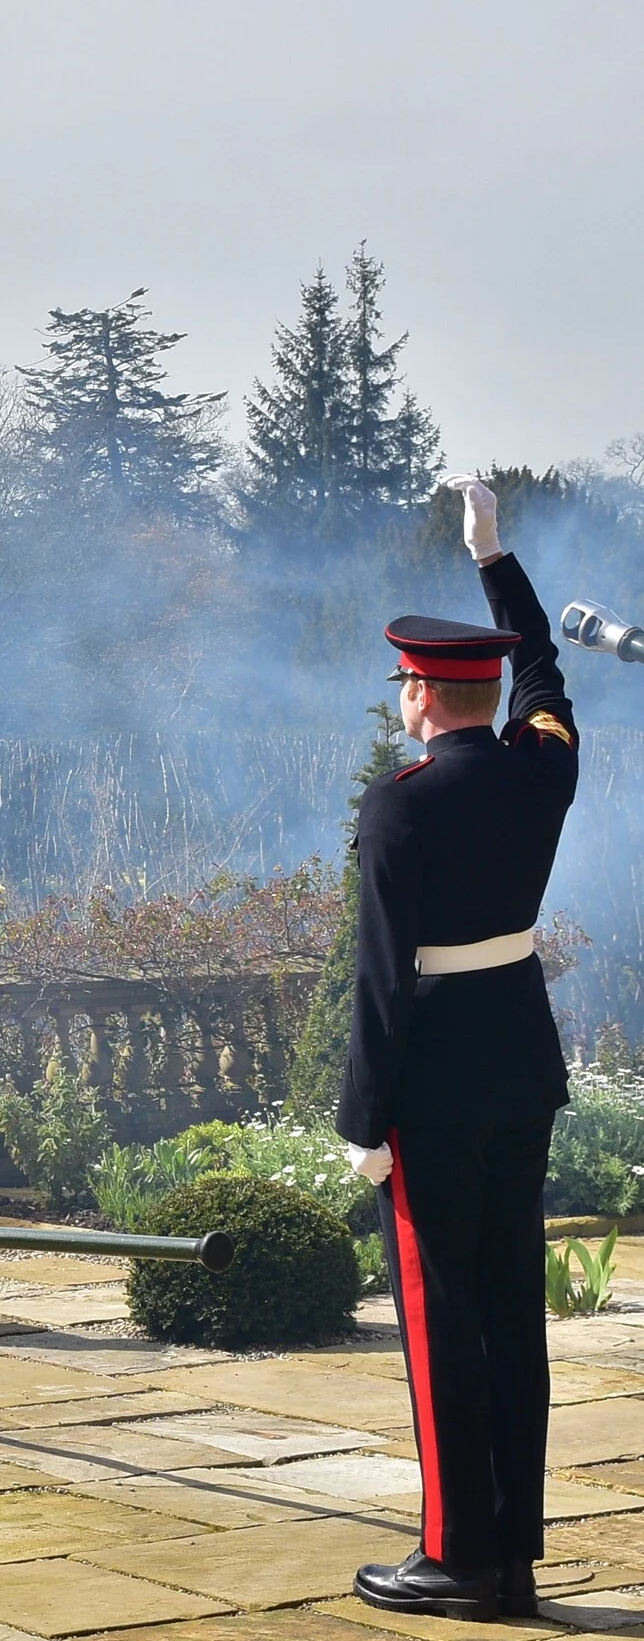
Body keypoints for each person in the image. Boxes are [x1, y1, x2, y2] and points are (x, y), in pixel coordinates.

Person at [341, 474, 579, 1622]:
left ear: (423, 693)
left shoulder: (403, 805)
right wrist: (491, 556)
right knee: (508, 1313)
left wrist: (360, 1125)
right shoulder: (545, 762)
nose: (397, 696)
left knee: (442, 1321)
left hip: (431, 1085)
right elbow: (542, 664)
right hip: (518, 1063)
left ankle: (455, 1556)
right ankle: (514, 1553)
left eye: (401, 682)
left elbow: (381, 981)